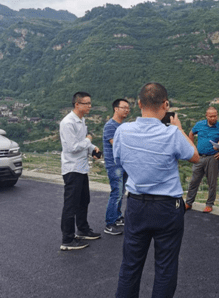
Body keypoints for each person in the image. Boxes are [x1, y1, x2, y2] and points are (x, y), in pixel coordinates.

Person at [114, 83, 199, 298]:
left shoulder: (122, 131)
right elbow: (194, 156)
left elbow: (118, 160)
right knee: (165, 267)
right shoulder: (172, 133)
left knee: (130, 265)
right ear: (165, 104)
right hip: (167, 207)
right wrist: (179, 128)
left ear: (139, 103)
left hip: (136, 204)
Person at [59, 91, 101, 251]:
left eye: (90, 103)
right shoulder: (68, 122)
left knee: (84, 200)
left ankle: (82, 230)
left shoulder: (81, 121)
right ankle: (67, 239)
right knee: (71, 204)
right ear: (77, 104)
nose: (90, 106)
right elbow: (72, 147)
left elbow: (82, 143)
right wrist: (88, 140)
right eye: (86, 103)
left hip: (82, 168)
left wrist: (92, 149)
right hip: (72, 168)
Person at [185, 106, 219, 213]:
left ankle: (209, 204)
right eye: (211, 116)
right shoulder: (199, 124)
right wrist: (192, 147)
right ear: (206, 116)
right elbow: (191, 133)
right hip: (199, 157)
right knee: (194, 181)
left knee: (212, 183)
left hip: (213, 158)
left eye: (215, 116)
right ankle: (188, 202)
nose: (213, 118)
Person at [102, 98, 130, 236]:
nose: (127, 110)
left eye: (128, 108)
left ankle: (117, 217)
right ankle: (109, 223)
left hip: (123, 164)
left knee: (121, 192)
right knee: (116, 193)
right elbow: (117, 145)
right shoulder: (110, 126)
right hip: (114, 165)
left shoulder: (123, 126)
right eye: (124, 107)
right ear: (116, 108)